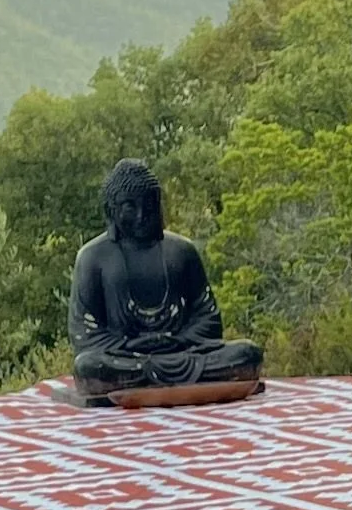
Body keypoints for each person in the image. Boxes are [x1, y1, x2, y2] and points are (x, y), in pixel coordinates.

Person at [68, 159, 262, 402]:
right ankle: (154, 377)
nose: (141, 215)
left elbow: (209, 320)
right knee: (89, 367)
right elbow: (84, 334)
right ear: (111, 210)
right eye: (130, 207)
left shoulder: (181, 251)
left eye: (149, 206)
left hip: (183, 353)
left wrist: (176, 341)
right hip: (127, 360)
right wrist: (133, 346)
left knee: (247, 354)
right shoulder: (93, 257)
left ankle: (156, 380)